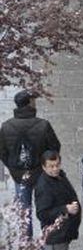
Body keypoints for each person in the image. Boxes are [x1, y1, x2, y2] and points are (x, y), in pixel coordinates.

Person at [0, 89, 61, 236]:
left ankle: (26, 242)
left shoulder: (6, 126)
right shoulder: (43, 125)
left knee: (24, 210)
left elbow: (2, 152)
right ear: (29, 104)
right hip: (41, 173)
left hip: (20, 175)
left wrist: (13, 167)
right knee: (45, 206)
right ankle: (48, 237)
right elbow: (55, 147)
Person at [35, 150, 81, 250]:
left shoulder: (59, 176)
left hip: (61, 232)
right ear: (43, 167)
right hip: (56, 234)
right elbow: (42, 213)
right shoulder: (44, 186)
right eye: (51, 166)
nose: (55, 169)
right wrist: (65, 209)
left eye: (57, 165)